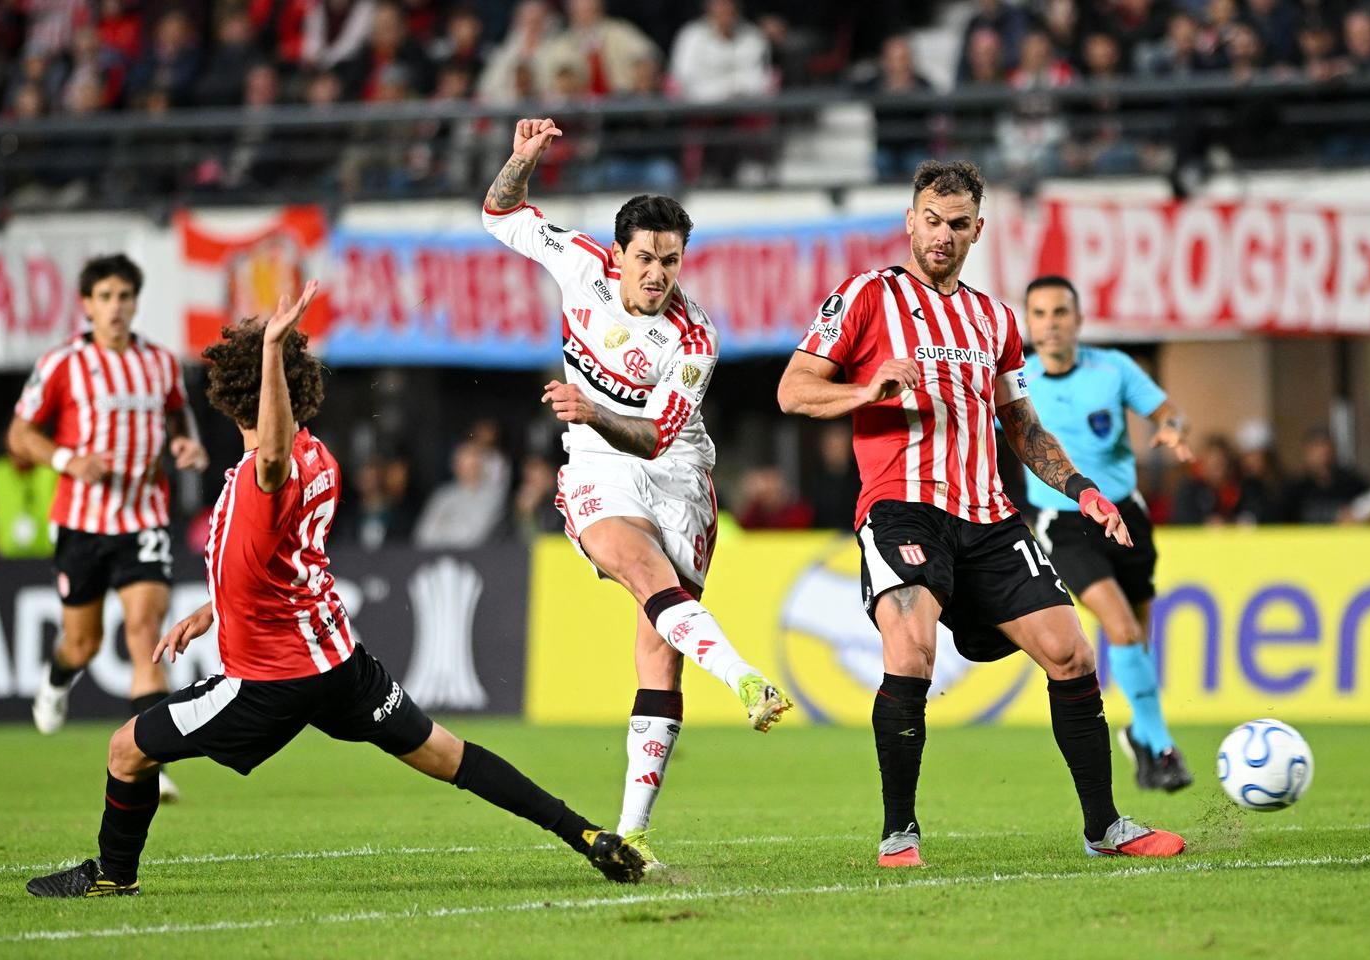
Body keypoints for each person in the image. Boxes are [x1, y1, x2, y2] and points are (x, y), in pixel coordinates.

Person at [24, 282, 645, 898]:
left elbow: (269, 461)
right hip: (338, 663)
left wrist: (269, 350)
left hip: (270, 679)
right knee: (446, 755)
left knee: (126, 749)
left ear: (233, 395)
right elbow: (285, 557)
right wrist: (212, 608)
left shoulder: (265, 472)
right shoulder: (319, 456)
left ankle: (112, 875)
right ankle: (584, 834)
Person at [776, 160, 1184, 868]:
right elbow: (794, 390)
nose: (942, 235)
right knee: (910, 653)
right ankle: (899, 832)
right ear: (910, 221)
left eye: (957, 224)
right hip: (902, 509)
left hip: (989, 518)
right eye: (930, 220)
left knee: (1072, 653)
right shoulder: (867, 297)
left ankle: (1105, 827)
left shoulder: (994, 319)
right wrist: (869, 389)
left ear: (978, 230)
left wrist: (1082, 488)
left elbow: (1020, 424)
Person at [482, 118, 793, 869]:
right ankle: (746, 677)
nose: (658, 274)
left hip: (676, 469)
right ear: (617, 255)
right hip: (594, 462)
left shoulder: (694, 338)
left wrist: (591, 406)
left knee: (659, 653)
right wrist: (521, 161)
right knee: (639, 570)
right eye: (646, 259)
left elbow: (654, 438)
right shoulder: (578, 262)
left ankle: (634, 831)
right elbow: (498, 214)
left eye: (671, 261)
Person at [7, 254, 210, 804]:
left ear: (135, 302)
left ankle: (151, 761)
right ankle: (56, 678)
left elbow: (177, 415)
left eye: (124, 296)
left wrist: (185, 444)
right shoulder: (62, 364)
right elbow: (20, 433)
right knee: (84, 642)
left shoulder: (160, 363)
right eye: (105, 297)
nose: (115, 307)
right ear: (87, 304)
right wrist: (67, 459)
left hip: (144, 516)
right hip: (81, 523)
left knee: (145, 630)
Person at [1021, 275, 1195, 792]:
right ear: (1028, 324)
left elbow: (1168, 413)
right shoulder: (1018, 381)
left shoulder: (1112, 368)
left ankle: (1142, 737)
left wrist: (1173, 429)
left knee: (1138, 635)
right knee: (1121, 628)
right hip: (1066, 523)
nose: (1050, 325)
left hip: (1129, 516)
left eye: (1060, 313)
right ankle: (1163, 748)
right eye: (1040, 315)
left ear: (1078, 319)